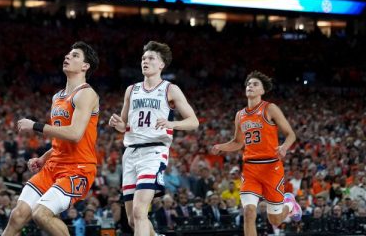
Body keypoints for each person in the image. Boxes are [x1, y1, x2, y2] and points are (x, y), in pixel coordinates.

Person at [2, 42, 100, 236]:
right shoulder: (57, 97)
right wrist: (43, 159)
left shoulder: (86, 93)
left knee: (41, 215)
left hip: (77, 168)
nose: (68, 56)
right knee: (18, 215)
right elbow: (60, 139)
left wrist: (36, 126)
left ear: (85, 66)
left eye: (75, 55)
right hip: (54, 165)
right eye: (68, 54)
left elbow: (74, 134)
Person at [108, 41, 199, 236]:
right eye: (143, 58)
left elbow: (193, 121)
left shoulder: (170, 89)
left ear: (161, 65)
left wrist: (172, 124)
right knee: (133, 219)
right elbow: (124, 125)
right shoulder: (131, 90)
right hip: (130, 153)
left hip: (154, 152)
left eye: (151, 58)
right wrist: (118, 125)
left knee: (140, 211)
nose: (145, 61)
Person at [210, 71, 302, 236]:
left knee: (274, 220)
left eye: (255, 84)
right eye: (248, 84)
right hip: (251, 169)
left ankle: (289, 204)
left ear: (262, 91)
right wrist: (220, 146)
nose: (250, 86)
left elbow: (291, 134)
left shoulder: (270, 108)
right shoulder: (240, 115)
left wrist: (284, 147)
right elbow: (238, 143)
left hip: (271, 168)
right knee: (249, 212)